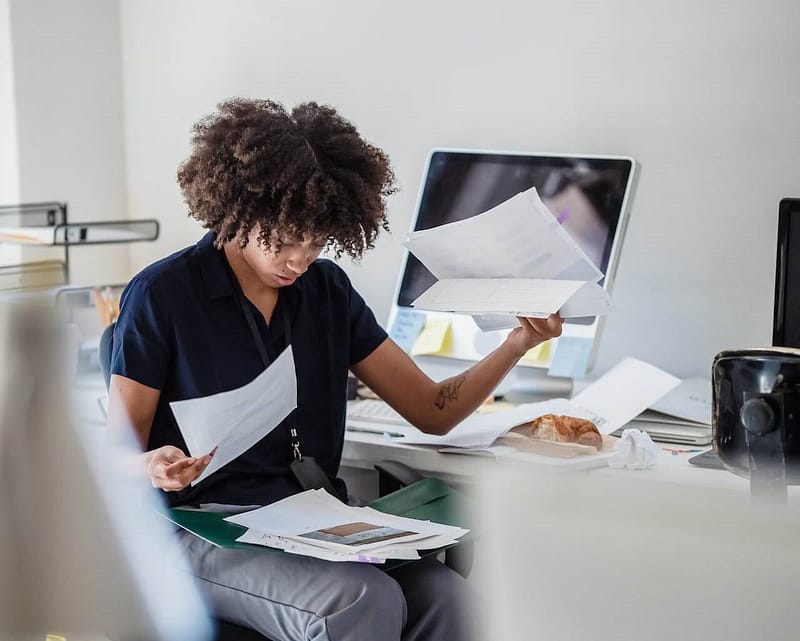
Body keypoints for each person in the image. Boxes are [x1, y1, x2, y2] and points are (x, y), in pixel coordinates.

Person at [108, 98, 563, 641]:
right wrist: (154, 465)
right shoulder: (163, 296)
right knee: (357, 601)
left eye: (316, 242)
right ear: (243, 209)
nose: (299, 261)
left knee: (451, 601)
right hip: (197, 528)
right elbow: (114, 457)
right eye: (284, 241)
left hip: (309, 523)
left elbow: (432, 410)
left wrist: (518, 342)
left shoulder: (326, 292)